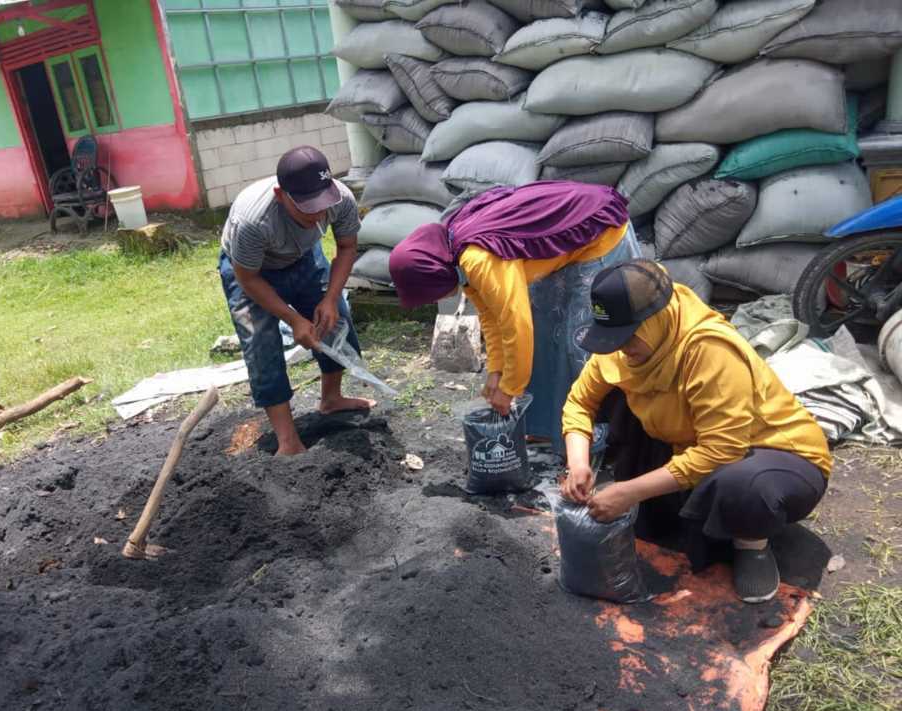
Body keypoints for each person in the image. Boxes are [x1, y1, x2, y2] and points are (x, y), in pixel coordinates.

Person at [561, 260, 832, 603]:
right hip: (689, 443)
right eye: (615, 338)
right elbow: (579, 403)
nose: (622, 348)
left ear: (655, 320)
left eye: (629, 337)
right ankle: (683, 506)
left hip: (773, 454)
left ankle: (752, 546)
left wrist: (630, 491)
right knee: (617, 396)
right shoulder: (624, 349)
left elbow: (723, 449)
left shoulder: (710, 350)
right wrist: (578, 463)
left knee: (743, 487)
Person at [388, 180, 640, 453]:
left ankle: (597, 440)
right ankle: (547, 427)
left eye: (431, 293)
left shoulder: (478, 259)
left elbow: (516, 325)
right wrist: (496, 372)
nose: (437, 299)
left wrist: (509, 390)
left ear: (433, 276)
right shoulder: (455, 253)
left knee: (578, 344)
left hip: (599, 232)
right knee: (545, 333)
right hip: (566, 247)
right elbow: (491, 317)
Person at [219, 146, 374, 456]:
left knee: (335, 320)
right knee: (261, 343)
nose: (318, 214)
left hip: (302, 258)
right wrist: (293, 320)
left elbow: (346, 247)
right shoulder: (253, 219)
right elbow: (247, 279)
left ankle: (331, 399)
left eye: (322, 204)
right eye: (307, 207)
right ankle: (288, 439)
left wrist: (330, 299)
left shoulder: (340, 199)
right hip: (252, 270)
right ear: (281, 195)